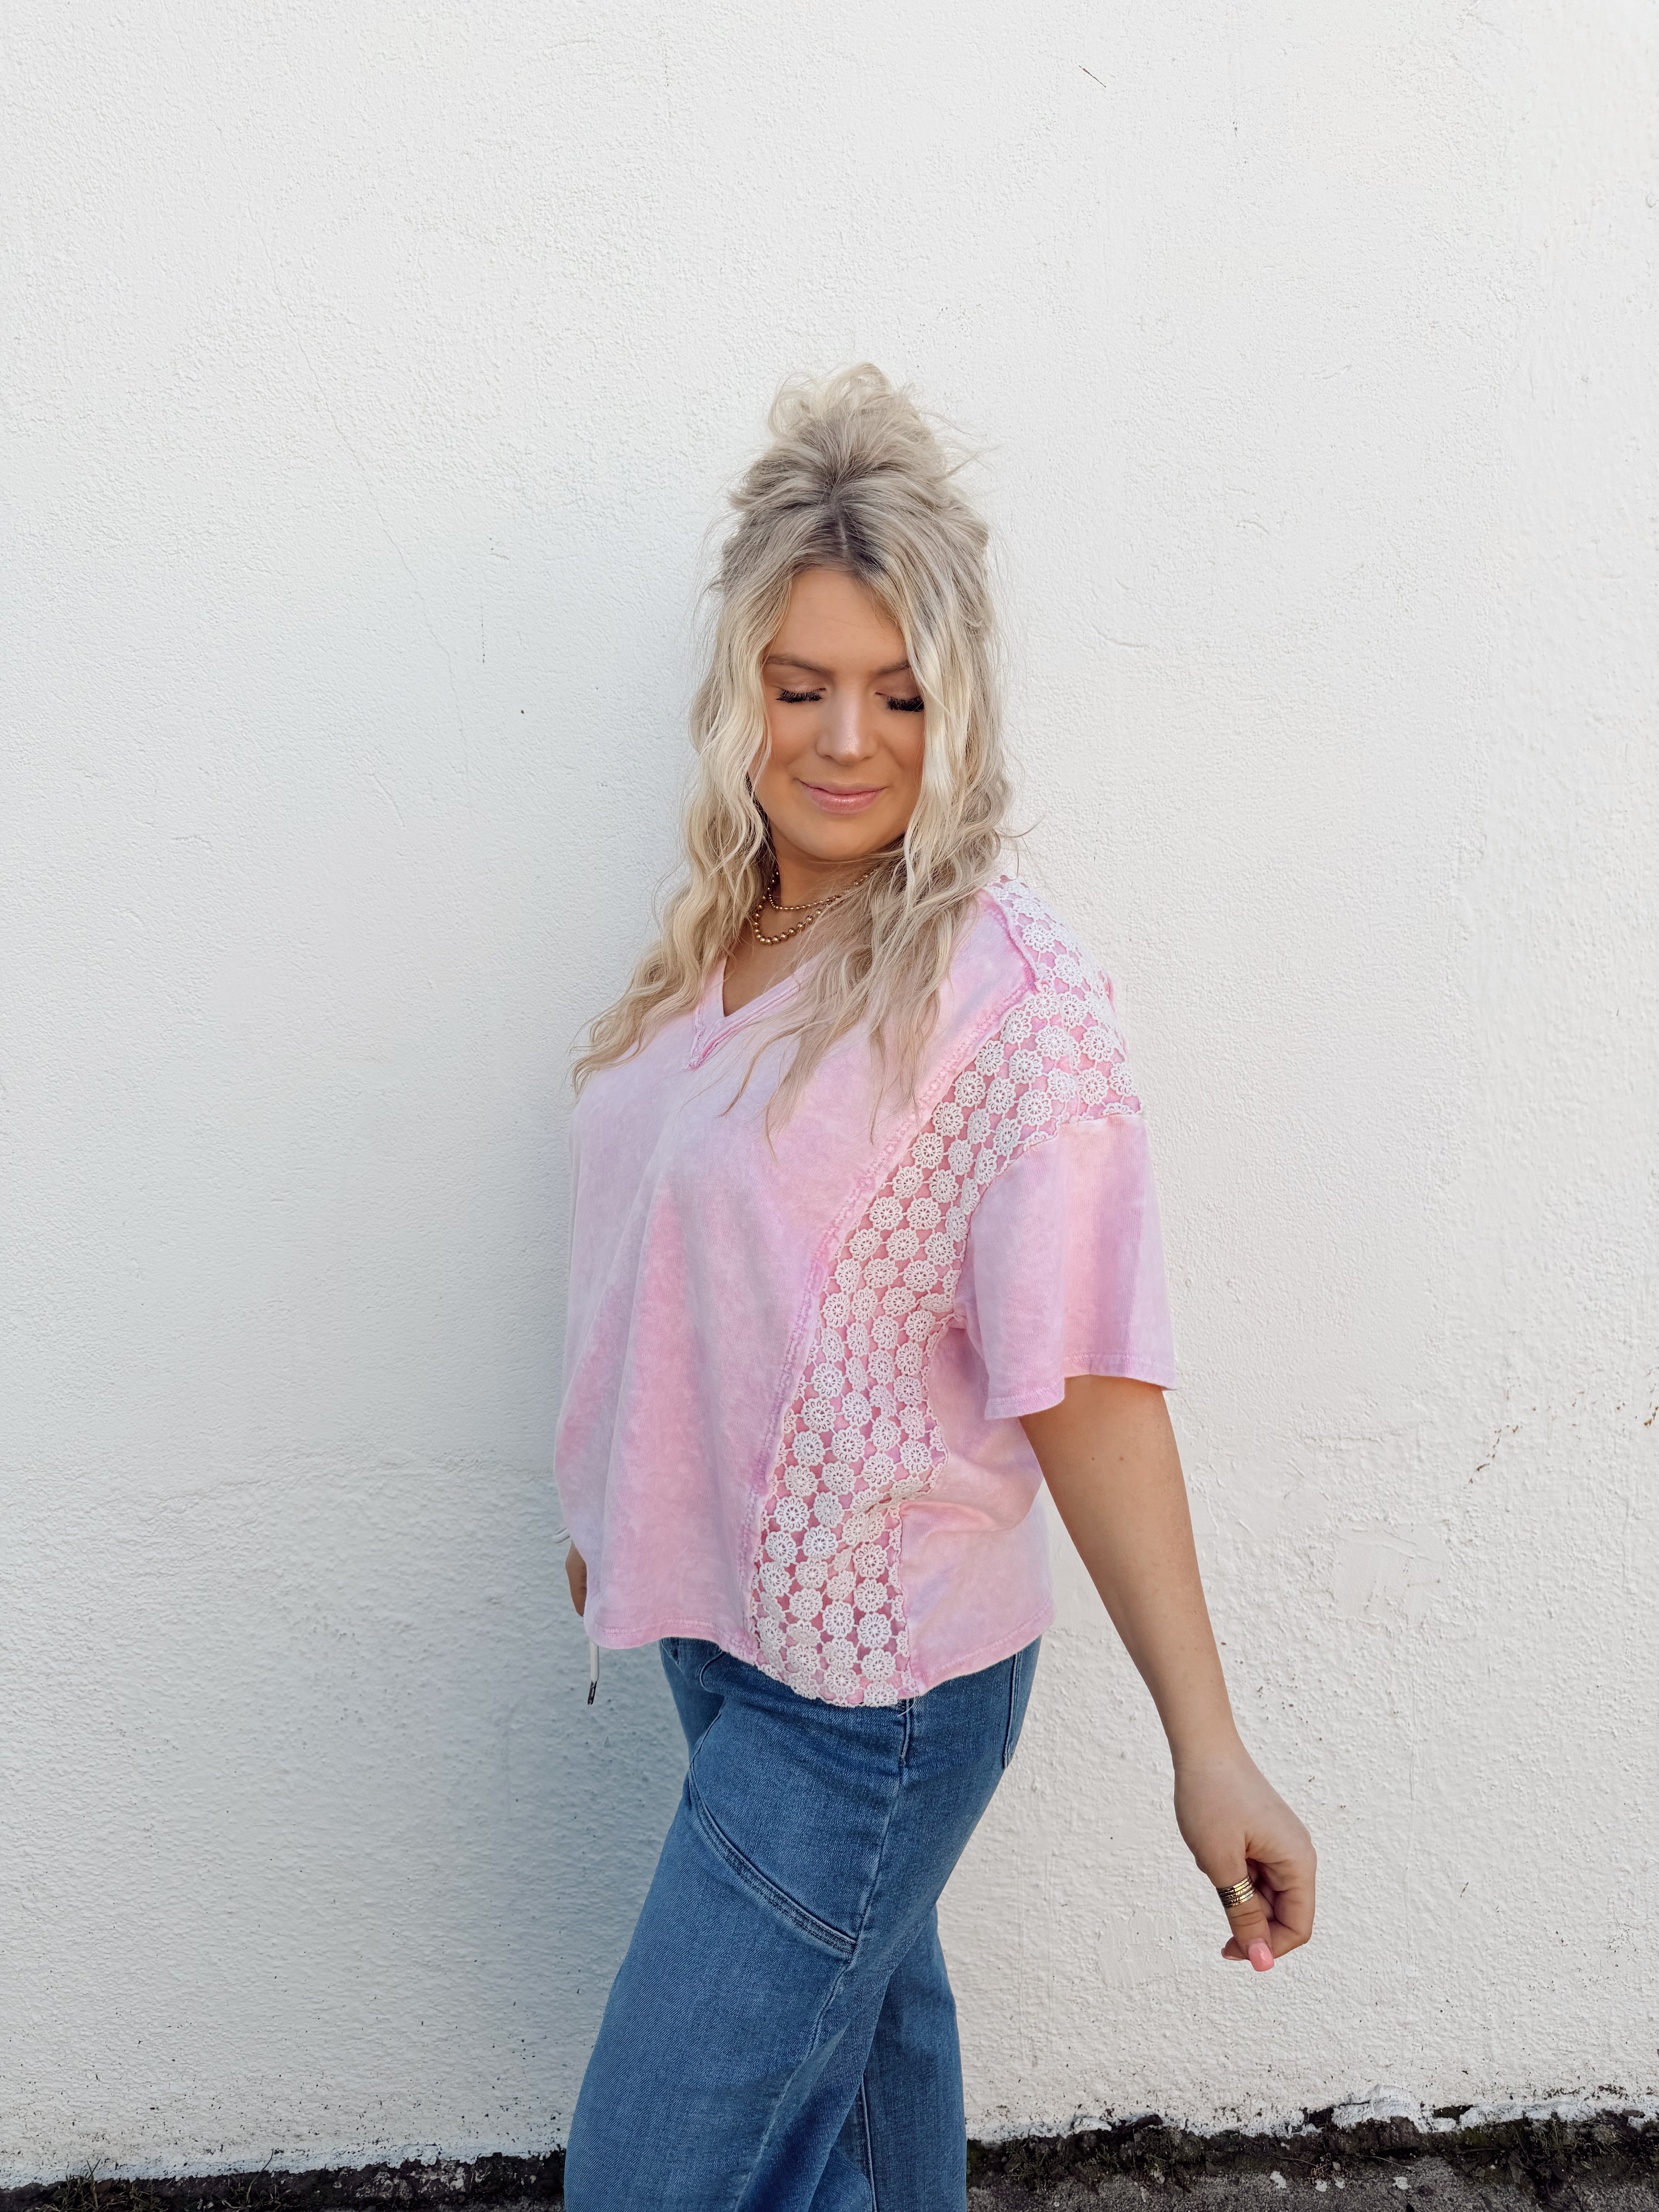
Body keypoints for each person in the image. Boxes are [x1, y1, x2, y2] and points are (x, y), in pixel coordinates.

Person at [555, 365, 1316, 2212]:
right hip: (724, 1639)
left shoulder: (1005, 997)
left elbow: (1089, 1384)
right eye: (799, 684)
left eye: (897, 694)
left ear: (955, 707)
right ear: (741, 692)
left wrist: (1208, 1746)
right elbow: (676, 1265)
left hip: (868, 1698)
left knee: (649, 2176)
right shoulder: (730, 926)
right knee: (865, 2113)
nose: (845, 739)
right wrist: (613, 1512)